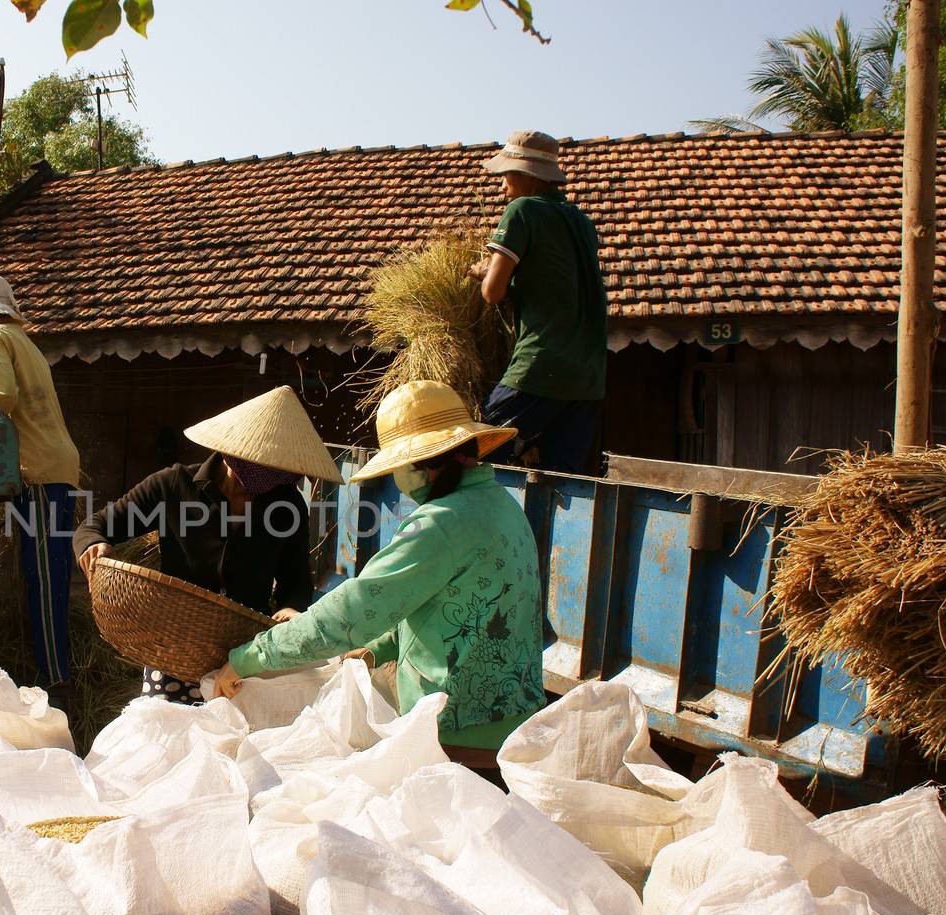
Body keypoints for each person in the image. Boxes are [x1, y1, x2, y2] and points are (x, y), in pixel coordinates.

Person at [213, 380, 546, 779]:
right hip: (511, 724)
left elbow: (353, 609)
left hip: (457, 734)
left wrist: (248, 657)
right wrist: (377, 650)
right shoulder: (501, 506)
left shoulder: (438, 524)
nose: (397, 478)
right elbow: (439, 603)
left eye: (398, 467)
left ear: (423, 463)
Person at [75, 386, 342, 704]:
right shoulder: (173, 486)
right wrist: (94, 545)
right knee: (165, 737)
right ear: (234, 452)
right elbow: (94, 526)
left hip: (244, 654)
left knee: (232, 746)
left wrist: (290, 607)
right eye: (263, 466)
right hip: (173, 647)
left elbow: (295, 576)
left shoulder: (286, 504)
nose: (269, 482)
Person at [0, 273, 82, 709]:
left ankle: (56, 682)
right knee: (53, 571)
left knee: (43, 576)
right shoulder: (25, 341)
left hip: (39, 469)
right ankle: (55, 669)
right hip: (57, 465)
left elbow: (0, 395)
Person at [470, 129, 610, 476]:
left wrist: (482, 273)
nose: (502, 184)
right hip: (589, 376)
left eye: (506, 174)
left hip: (541, 366)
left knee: (477, 455)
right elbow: (554, 280)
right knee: (562, 477)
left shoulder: (522, 211)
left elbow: (492, 293)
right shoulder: (581, 222)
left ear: (526, 174)